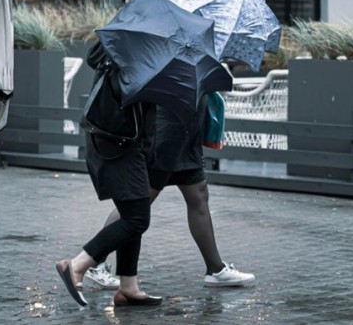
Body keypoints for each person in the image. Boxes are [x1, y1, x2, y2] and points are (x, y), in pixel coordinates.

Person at [81, 97, 255, 291]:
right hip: (168, 133)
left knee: (198, 194)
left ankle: (216, 269)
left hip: (187, 132)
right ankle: (93, 262)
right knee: (138, 205)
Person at [55, 43, 162, 308]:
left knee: (131, 212)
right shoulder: (134, 49)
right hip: (120, 145)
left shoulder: (119, 42)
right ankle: (78, 264)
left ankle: (128, 287)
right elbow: (133, 91)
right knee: (137, 219)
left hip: (117, 142)